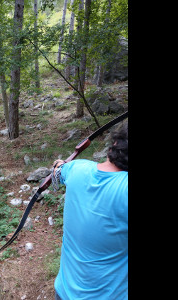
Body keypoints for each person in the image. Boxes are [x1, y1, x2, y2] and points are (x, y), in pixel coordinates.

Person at [51, 120, 128, 300]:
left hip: (63, 292)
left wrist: (59, 165)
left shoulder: (77, 169)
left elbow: (58, 170)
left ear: (114, 145)